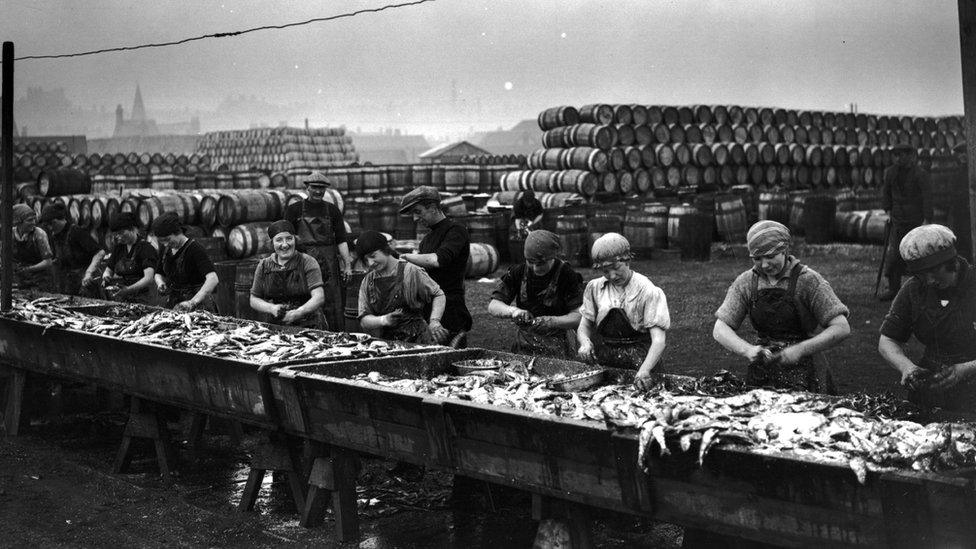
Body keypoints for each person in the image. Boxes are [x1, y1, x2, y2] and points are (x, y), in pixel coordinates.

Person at [713, 220, 851, 393]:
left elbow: (841, 328)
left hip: (807, 372)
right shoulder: (747, 282)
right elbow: (720, 329)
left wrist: (801, 349)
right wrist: (748, 350)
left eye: (770, 256)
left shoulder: (808, 281)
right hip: (763, 369)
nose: (764, 264)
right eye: (757, 258)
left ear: (785, 250)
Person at [878, 224, 976, 412]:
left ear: (951, 262)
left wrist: (967, 369)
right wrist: (906, 367)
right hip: (931, 384)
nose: (930, 281)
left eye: (934, 272)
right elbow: (887, 339)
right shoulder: (914, 289)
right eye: (922, 275)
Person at [576, 233, 669, 388]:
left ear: (627, 260)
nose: (612, 275)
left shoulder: (648, 291)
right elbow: (584, 326)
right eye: (605, 271)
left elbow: (659, 341)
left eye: (616, 268)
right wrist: (585, 343)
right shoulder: (594, 288)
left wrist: (644, 370)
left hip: (641, 361)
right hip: (606, 359)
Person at [487, 229, 583, 357]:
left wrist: (551, 321)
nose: (536, 268)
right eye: (531, 262)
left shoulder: (566, 274)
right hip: (524, 343)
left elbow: (579, 316)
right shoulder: (518, 272)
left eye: (541, 263)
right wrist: (513, 311)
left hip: (559, 342)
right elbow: (493, 305)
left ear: (553, 257)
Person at [399, 186, 472, 346]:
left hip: (451, 311)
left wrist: (404, 257)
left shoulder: (455, 231)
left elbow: (438, 260)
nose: (415, 218)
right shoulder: (426, 240)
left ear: (432, 207)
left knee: (452, 360)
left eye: (418, 212)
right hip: (429, 310)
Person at [283, 171, 353, 330]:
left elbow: (341, 239)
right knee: (303, 299)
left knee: (332, 302)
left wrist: (347, 266)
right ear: (307, 187)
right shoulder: (294, 210)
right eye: (314, 187)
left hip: (329, 263)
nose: (318, 191)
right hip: (302, 261)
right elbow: (286, 239)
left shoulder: (332, 210)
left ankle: (335, 335)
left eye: (322, 188)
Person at [356, 230, 447, 343]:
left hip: (418, 340)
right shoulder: (368, 281)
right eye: (365, 260)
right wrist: (384, 320)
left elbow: (438, 294)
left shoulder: (411, 271)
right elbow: (364, 320)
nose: (370, 263)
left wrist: (434, 321)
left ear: (386, 249)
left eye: (373, 256)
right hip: (386, 345)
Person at [249, 220, 327, 329]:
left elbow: (319, 296)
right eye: (279, 240)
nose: (285, 245)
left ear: (295, 239)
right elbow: (253, 299)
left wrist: (299, 312)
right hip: (276, 325)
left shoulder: (307, 262)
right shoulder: (264, 265)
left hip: (310, 324)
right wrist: (271, 308)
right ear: (272, 243)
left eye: (289, 238)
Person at [879, 143, 932, 301]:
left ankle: (921, 290)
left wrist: (927, 219)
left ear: (911, 156)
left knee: (917, 256)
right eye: (895, 155)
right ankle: (893, 289)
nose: (898, 158)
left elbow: (927, 198)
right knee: (894, 255)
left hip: (916, 222)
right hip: (897, 220)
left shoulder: (920, 174)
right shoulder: (890, 173)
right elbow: (886, 194)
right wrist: (888, 211)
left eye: (901, 155)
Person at [150, 212, 219, 312]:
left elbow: (213, 279)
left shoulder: (195, 249)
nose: (165, 244)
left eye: (167, 239)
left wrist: (192, 302)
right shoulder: (166, 250)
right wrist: (160, 283)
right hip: (175, 303)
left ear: (177, 232)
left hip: (198, 305)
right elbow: (158, 272)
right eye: (161, 241)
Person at [38, 202, 106, 296]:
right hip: (68, 284)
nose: (49, 229)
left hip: (86, 283)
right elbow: (56, 259)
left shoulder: (76, 231)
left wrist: (89, 273)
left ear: (55, 222)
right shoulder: (55, 236)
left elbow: (100, 252)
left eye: (49, 225)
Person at [102, 212, 157, 304]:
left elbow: (149, 278)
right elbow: (109, 269)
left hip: (143, 297)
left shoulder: (146, 248)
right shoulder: (119, 248)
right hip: (124, 296)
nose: (119, 237)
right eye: (116, 234)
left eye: (121, 233)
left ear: (132, 229)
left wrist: (128, 290)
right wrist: (106, 276)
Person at [7, 203, 56, 291]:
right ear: (18, 222)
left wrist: (29, 269)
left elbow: (48, 262)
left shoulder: (39, 234)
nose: (33, 223)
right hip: (22, 281)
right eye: (29, 220)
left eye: (34, 219)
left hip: (41, 281)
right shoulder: (11, 234)